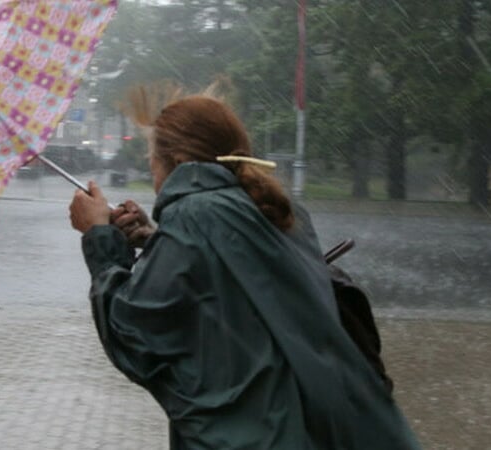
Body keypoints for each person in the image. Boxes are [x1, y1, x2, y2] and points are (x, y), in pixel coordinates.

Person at [67, 84, 420, 449]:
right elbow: (233, 283)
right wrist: (155, 238)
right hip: (317, 428)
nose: (151, 170)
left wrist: (98, 236)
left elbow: (133, 334)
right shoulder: (274, 209)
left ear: (177, 161)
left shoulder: (193, 216)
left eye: (151, 160)